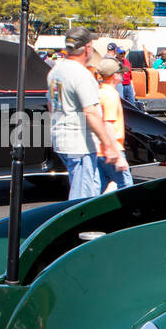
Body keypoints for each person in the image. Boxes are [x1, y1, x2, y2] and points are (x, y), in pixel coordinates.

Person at [47, 26, 120, 200]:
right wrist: (108, 144)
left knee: (89, 186)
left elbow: (51, 104)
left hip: (62, 138)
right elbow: (91, 112)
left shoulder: (55, 71)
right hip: (79, 143)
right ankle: (79, 227)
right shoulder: (81, 75)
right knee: (82, 196)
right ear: (87, 48)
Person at [93, 56, 133, 191]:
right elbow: (108, 125)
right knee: (126, 186)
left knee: (98, 187)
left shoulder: (99, 92)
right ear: (114, 75)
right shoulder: (111, 95)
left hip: (98, 150)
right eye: (121, 72)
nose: (123, 74)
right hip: (110, 148)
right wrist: (116, 154)